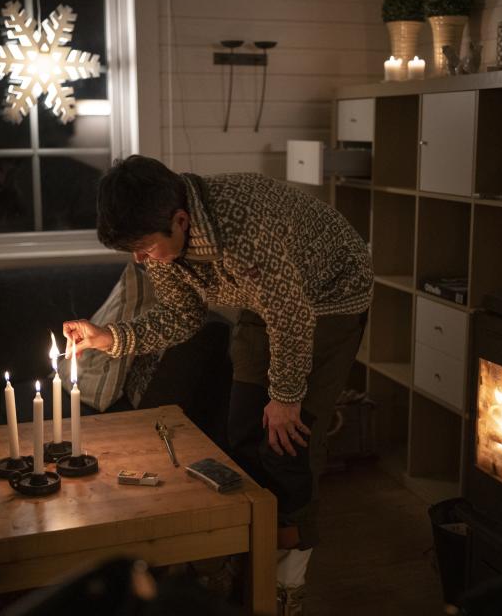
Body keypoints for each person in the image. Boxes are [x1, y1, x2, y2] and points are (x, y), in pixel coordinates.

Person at [62, 155, 372, 615]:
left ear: (180, 221)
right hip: (265, 299)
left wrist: (286, 399)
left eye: (144, 249)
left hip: (329, 298)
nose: (140, 260)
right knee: (243, 429)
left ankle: (286, 582)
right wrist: (112, 338)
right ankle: (247, 555)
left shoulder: (246, 229)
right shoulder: (164, 241)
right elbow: (183, 316)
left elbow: (292, 315)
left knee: (288, 439)